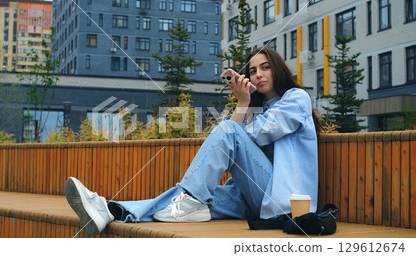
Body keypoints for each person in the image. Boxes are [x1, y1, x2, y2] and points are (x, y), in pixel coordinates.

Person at [65, 47, 321, 235]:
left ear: (278, 69)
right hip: (251, 199)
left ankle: (191, 198)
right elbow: (236, 140)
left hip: (285, 201)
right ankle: (110, 211)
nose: (257, 75)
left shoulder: (296, 98)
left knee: (225, 136)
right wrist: (244, 102)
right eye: (252, 71)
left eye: (265, 67)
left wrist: (243, 106)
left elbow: (254, 133)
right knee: (186, 199)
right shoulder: (257, 108)